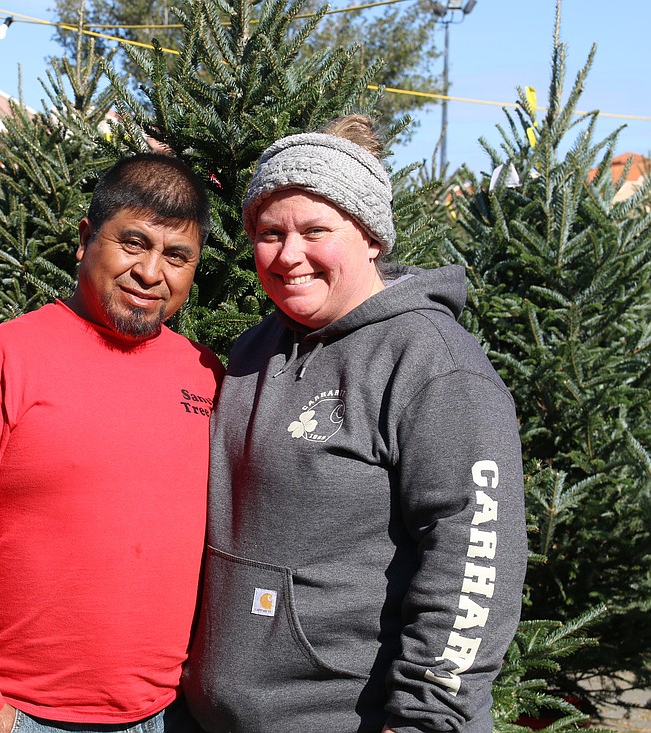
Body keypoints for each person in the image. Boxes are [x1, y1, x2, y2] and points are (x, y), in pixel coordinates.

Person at [183, 115, 527, 733]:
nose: (290, 256)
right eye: (269, 232)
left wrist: (428, 717)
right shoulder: (251, 351)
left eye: (316, 230)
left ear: (369, 236)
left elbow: (475, 556)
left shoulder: (432, 365)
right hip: (219, 718)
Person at [0, 152, 224, 733]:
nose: (152, 273)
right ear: (85, 239)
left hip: (170, 714)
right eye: (133, 243)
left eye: (177, 256)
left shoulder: (205, 375)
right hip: (24, 716)